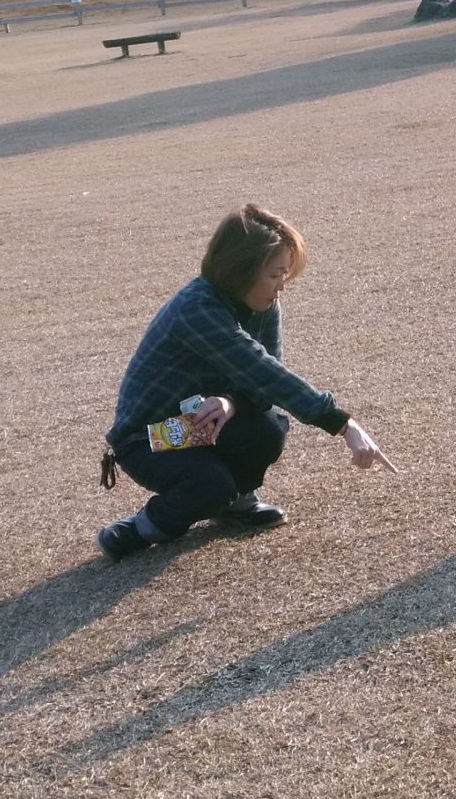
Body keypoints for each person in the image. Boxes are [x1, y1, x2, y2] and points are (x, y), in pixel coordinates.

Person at [97, 202, 394, 562]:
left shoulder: (264, 305)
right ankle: (143, 527)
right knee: (209, 486)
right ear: (241, 269)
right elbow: (264, 371)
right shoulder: (197, 309)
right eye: (275, 274)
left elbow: (263, 384)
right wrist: (343, 424)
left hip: (199, 425)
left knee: (268, 428)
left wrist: (231, 401)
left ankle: (237, 502)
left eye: (285, 274)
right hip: (147, 438)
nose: (282, 285)